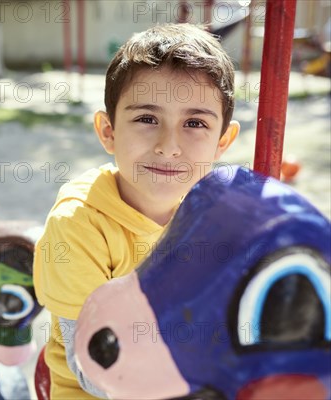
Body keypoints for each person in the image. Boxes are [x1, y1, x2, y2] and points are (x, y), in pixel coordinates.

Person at [33, 23, 241, 399]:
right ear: (108, 130)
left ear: (222, 141)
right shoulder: (79, 225)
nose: (169, 146)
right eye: (147, 119)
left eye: (195, 123)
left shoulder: (217, 218)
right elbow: (92, 369)